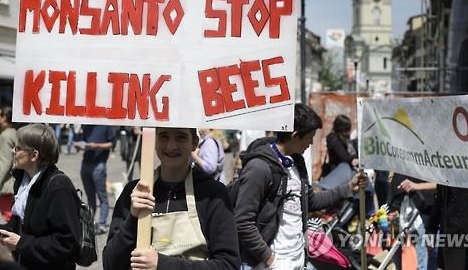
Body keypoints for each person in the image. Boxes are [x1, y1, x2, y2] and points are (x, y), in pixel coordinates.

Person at [234, 104, 367, 269]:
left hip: (298, 260)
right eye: (310, 136)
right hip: (270, 264)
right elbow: (243, 222)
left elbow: (310, 201)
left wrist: (347, 187)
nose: (311, 143)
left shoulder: (297, 162)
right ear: (295, 135)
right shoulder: (259, 168)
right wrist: (270, 259)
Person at [102, 127, 240, 270]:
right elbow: (110, 264)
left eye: (180, 137)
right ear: (154, 141)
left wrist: (162, 264)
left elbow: (228, 264)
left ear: (194, 143)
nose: (171, 146)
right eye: (163, 136)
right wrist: (133, 218)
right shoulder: (135, 192)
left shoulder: (212, 193)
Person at [0, 123, 80, 270]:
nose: (13, 151)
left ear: (34, 155)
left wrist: (20, 243)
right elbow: (19, 226)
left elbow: (66, 244)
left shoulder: (59, 187)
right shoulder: (23, 182)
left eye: (18, 148)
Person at [428, 185, 468, 270]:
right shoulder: (445, 174)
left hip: (467, 237)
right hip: (447, 236)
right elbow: (439, 201)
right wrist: (431, 230)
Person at [77, 125, 116, 235]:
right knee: (90, 196)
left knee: (102, 196)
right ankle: (90, 224)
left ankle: (102, 224)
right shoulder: (87, 125)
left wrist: (97, 146)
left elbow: (112, 144)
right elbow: (83, 141)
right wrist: (79, 146)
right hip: (85, 163)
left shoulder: (107, 125)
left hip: (99, 164)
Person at [0, 107, 18, 222]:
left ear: (4, 118)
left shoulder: (6, 136)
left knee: (8, 216)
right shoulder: (12, 133)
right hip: (7, 184)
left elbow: (4, 163)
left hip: (4, 185)